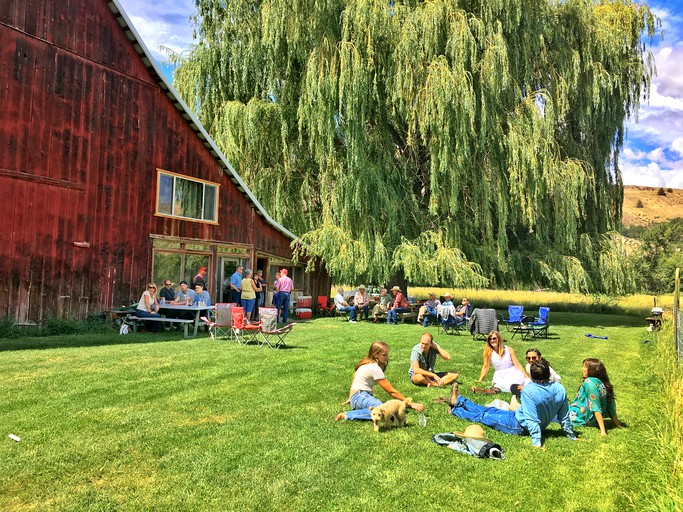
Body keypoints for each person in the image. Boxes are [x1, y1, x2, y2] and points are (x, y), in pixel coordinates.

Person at [445, 359, 577, 448]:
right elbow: (564, 416)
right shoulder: (560, 389)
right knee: (488, 410)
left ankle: (455, 410)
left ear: (531, 375)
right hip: (516, 416)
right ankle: (459, 400)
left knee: (484, 417)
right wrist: (571, 435)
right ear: (549, 373)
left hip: (517, 426)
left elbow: (532, 420)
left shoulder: (529, 391)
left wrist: (537, 443)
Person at [336, 341, 425, 422]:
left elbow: (356, 374)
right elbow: (391, 391)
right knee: (385, 411)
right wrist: (410, 403)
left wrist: (351, 397)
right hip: (361, 396)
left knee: (382, 410)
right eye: (384, 355)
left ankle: (359, 411)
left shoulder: (367, 362)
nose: (387, 357)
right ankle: (347, 415)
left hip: (358, 398)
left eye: (387, 354)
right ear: (375, 355)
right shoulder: (374, 368)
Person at [569, 358, 622, 435]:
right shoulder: (602, 382)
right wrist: (618, 424)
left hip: (579, 416)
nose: (582, 369)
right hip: (591, 417)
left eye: (585, 367)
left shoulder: (589, 382)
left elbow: (595, 406)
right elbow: (611, 405)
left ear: (592, 370)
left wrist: (603, 431)